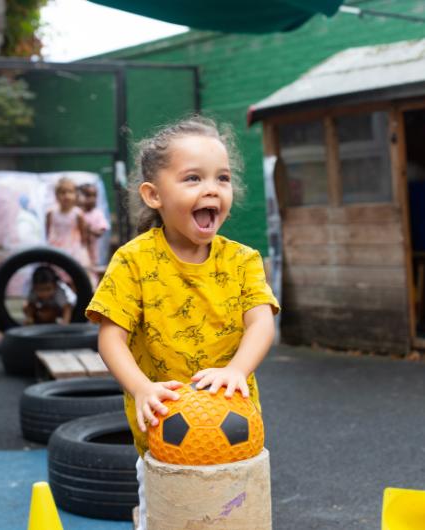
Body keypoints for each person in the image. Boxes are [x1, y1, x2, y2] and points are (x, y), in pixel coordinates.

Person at [85, 115, 280, 530]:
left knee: (238, 517)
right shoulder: (133, 261)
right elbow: (111, 338)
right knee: (167, 520)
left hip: (234, 436)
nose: (212, 188)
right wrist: (140, 388)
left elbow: (261, 323)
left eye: (222, 178)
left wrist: (236, 370)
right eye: (193, 178)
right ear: (153, 195)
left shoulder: (242, 260)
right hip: (165, 437)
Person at [46, 176, 91, 271]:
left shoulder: (77, 214)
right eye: (62, 192)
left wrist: (83, 253)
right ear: (56, 195)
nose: (66, 196)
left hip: (74, 251)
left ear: (75, 194)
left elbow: (83, 237)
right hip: (56, 249)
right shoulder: (51, 213)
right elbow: (48, 233)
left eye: (70, 192)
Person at [78, 182, 110, 272]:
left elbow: (100, 233)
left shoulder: (97, 214)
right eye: (88, 195)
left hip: (91, 252)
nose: (92, 199)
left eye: (94, 196)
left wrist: (89, 229)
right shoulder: (77, 213)